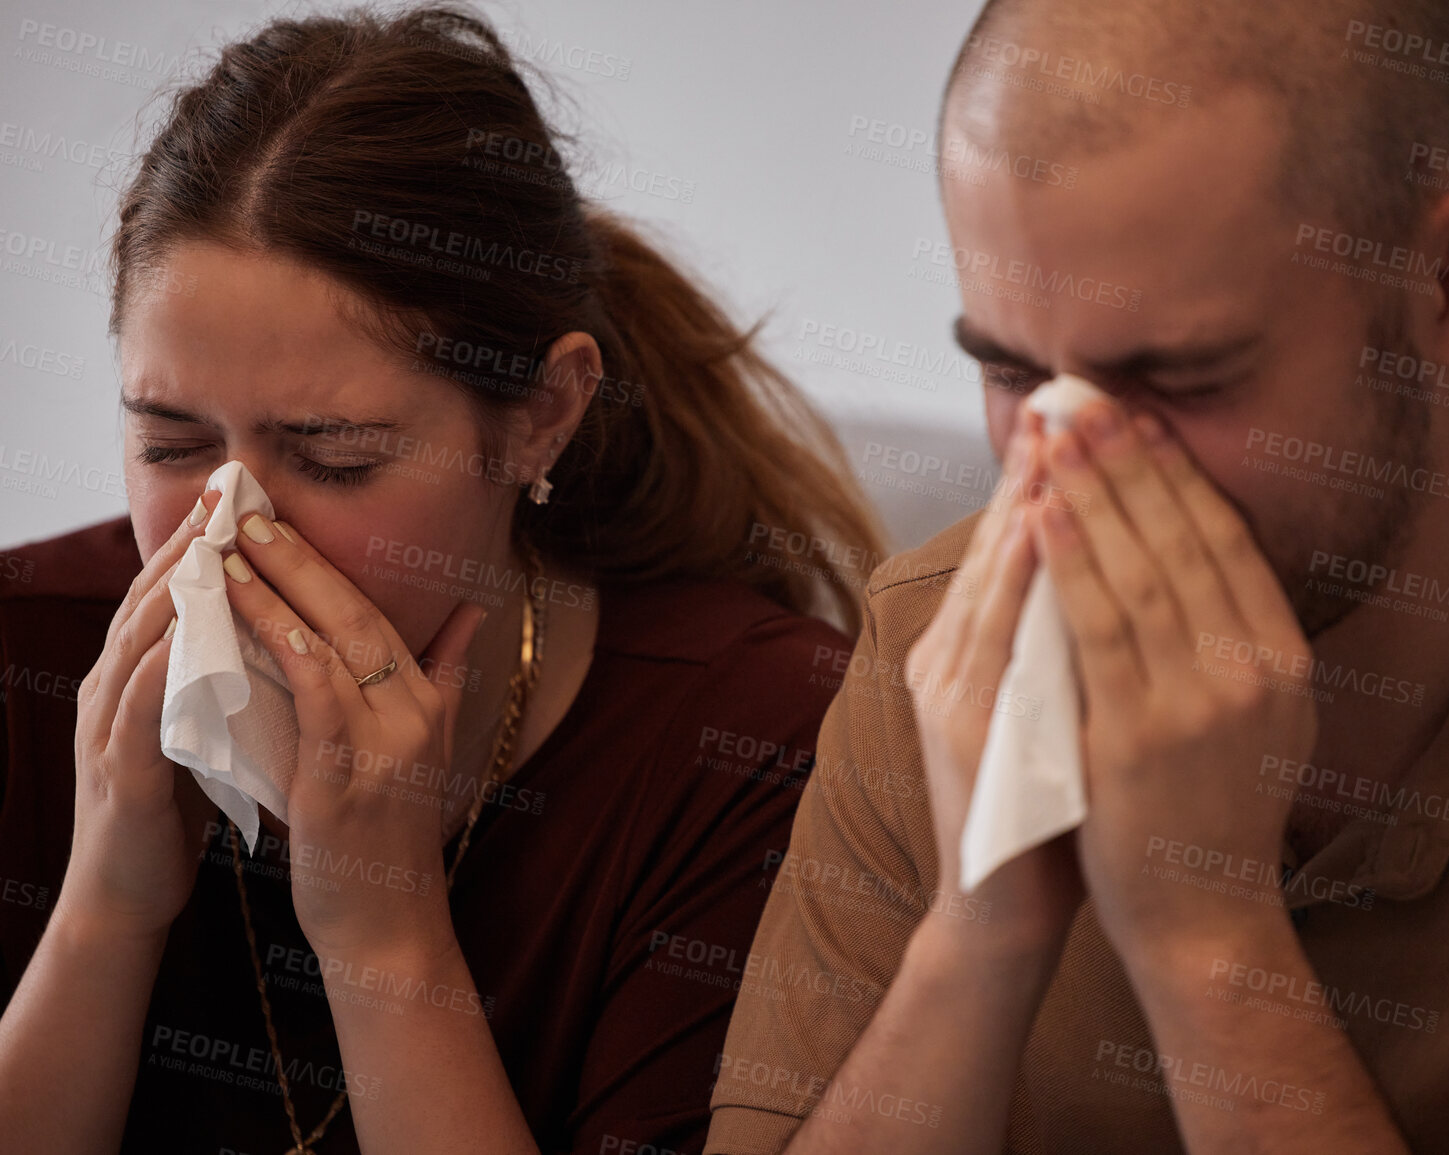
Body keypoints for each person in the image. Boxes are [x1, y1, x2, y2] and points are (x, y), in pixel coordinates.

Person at [707, 2, 1449, 1153]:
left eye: (1185, 380)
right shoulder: (937, 646)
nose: (1072, 482)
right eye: (1012, 374)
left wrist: (1207, 938)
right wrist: (980, 933)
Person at [0, 5, 887, 1153]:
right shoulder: (27, 651)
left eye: (334, 458)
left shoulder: (755, 742)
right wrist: (106, 909)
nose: (230, 528)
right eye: (171, 446)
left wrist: (385, 936)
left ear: (541, 421)